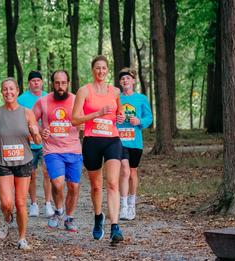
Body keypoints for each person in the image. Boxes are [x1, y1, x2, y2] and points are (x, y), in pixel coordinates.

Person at [72, 55, 125, 244]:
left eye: (104, 68)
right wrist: (96, 113)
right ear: (92, 70)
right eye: (97, 68)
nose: (101, 71)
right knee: (96, 186)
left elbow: (120, 112)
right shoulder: (84, 91)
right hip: (92, 141)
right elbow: (75, 119)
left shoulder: (115, 92)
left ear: (107, 70)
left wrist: (120, 117)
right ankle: (98, 217)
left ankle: (115, 228)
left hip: (112, 140)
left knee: (112, 184)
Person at [0, 77, 41, 250]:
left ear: (17, 91)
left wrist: (35, 132)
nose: (8, 92)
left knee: (20, 203)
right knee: (6, 204)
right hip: (3, 162)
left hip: (24, 162)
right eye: (5, 89)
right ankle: (7, 218)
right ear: (1, 92)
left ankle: (22, 238)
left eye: (12, 89)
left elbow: (37, 140)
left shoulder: (27, 113)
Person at [33, 70, 82, 232]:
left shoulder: (77, 100)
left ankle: (69, 217)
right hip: (52, 150)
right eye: (57, 83)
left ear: (68, 83)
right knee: (58, 183)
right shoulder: (43, 101)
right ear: (52, 84)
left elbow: (87, 118)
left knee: (74, 187)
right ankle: (59, 209)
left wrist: (83, 124)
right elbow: (31, 120)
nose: (60, 86)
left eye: (63, 83)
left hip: (74, 149)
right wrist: (40, 130)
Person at [17, 71, 54, 218]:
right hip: (29, 143)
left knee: (47, 173)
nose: (36, 83)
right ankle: (33, 204)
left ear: (42, 82)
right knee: (31, 174)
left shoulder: (48, 97)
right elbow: (18, 120)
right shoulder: (21, 99)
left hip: (47, 142)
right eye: (33, 81)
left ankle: (48, 204)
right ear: (29, 83)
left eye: (38, 80)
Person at [117, 68, 152, 220]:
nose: (125, 81)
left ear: (133, 81)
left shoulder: (141, 98)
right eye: (123, 79)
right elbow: (110, 116)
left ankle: (132, 204)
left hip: (136, 141)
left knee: (132, 172)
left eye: (128, 78)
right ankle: (123, 206)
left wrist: (140, 121)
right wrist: (116, 119)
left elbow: (149, 117)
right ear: (120, 82)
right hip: (119, 140)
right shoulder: (116, 98)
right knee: (124, 170)